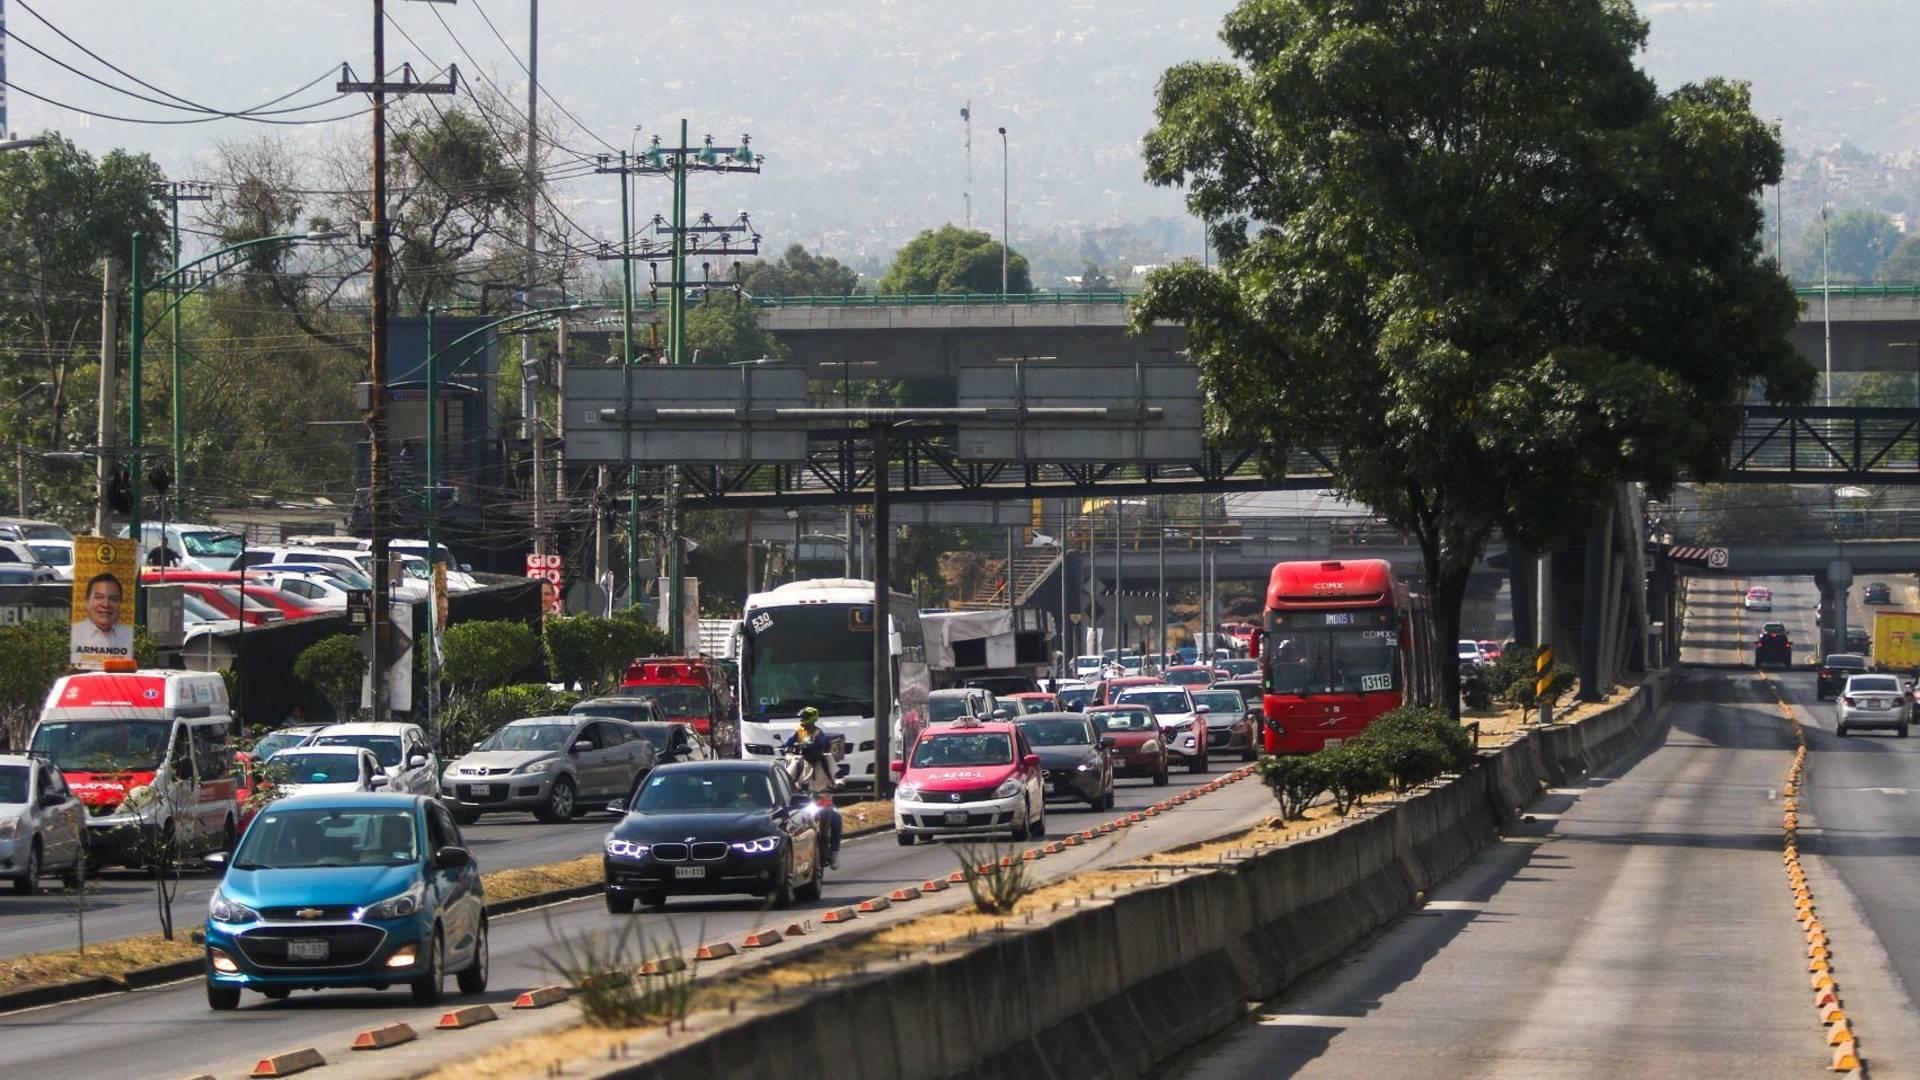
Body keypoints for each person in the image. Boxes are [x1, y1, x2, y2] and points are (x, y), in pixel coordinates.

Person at [782, 707, 842, 867]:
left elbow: (838, 778)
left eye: (813, 750)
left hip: (823, 800)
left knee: (836, 821)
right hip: (804, 802)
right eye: (807, 751)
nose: (810, 754)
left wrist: (838, 785)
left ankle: (835, 853)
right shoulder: (799, 761)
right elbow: (787, 779)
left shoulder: (826, 759)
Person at [71, 571, 134, 669]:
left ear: (120, 605)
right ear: (87, 602)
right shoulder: (73, 634)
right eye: (99, 597)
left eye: (113, 599)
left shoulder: (130, 636)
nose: (106, 605)